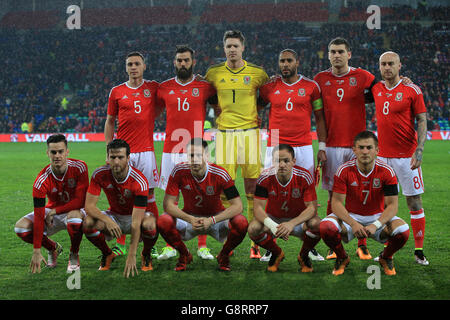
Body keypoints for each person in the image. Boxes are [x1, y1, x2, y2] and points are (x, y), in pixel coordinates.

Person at [258, 48, 327, 262]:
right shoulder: (269, 87)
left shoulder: (311, 87)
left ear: (297, 62)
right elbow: (255, 108)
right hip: (275, 144)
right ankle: (271, 244)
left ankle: (309, 246)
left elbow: (320, 117)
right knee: (271, 192)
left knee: (306, 193)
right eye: (282, 61)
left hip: (304, 144)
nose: (285, 64)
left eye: (289, 60)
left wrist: (322, 146)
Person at [205, 30, 269, 259]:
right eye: (228, 46)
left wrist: (256, 110)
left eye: (235, 46)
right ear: (224, 49)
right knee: (224, 189)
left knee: (253, 190)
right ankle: (227, 240)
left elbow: (267, 95)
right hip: (224, 136)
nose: (232, 50)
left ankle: (256, 241)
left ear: (243, 48)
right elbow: (208, 96)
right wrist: (218, 109)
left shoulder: (258, 73)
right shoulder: (213, 73)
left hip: (250, 135)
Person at [313, 37, 377, 260]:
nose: (336, 55)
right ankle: (334, 243)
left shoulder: (363, 76)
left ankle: (362, 244)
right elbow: (317, 114)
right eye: (332, 52)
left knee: (359, 194)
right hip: (330, 146)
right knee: (333, 196)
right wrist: (321, 145)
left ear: (349, 54)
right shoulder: (320, 79)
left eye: (340, 51)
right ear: (328, 54)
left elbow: (383, 89)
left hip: (356, 146)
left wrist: (403, 81)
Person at [156, 45, 217, 261]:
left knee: (201, 195)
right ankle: (171, 246)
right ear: (174, 62)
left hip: (198, 149)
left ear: (193, 62)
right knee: (171, 197)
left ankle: (202, 245)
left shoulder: (205, 86)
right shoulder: (163, 88)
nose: (183, 63)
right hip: (171, 150)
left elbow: (219, 106)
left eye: (186, 60)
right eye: (179, 60)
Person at [319, 131, 410, 276]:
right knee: (326, 227)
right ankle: (342, 257)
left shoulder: (387, 171)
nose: (365, 151)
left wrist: (376, 225)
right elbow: (336, 203)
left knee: (403, 231)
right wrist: (353, 223)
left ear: (377, 150)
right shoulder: (344, 170)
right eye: (361, 147)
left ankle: (385, 257)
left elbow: (392, 206)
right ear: (354, 150)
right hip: (350, 218)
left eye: (369, 147)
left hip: (377, 218)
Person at [372, 51, 429, 265]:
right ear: (379, 67)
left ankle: (419, 250)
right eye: (383, 64)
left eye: (391, 64)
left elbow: (422, 120)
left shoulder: (411, 89)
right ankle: (389, 250)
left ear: (399, 66)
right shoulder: (375, 89)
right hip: (383, 158)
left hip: (407, 157)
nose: (387, 67)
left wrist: (420, 150)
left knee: (414, 201)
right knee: (386, 205)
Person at [157, 138, 248, 271]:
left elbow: (238, 206)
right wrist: (190, 219)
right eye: (191, 155)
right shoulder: (179, 171)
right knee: (163, 221)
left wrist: (212, 220)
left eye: (199, 155)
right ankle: (184, 254)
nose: (194, 159)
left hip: (215, 221)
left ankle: (223, 255)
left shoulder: (220, 174)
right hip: (190, 220)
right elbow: (168, 205)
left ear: (207, 155)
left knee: (241, 222)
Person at [104, 51, 160, 258]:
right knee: (123, 197)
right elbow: (110, 121)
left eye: (137, 63)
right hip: (123, 153)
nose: (133, 67)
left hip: (146, 152)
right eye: (130, 64)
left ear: (144, 66)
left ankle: (150, 242)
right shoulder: (117, 91)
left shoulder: (153, 88)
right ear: (126, 68)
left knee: (149, 197)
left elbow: (165, 103)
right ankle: (120, 242)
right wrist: (109, 150)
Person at [83, 139, 158, 277]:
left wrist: (132, 254)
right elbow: (89, 206)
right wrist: (107, 220)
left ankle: (145, 254)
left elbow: (136, 222)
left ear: (128, 158)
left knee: (151, 224)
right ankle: (107, 254)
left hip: (134, 218)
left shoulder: (139, 181)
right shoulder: (99, 174)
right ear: (108, 157)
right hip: (114, 216)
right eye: (113, 157)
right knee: (88, 223)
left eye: (120, 157)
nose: (116, 161)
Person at [14, 134, 88, 273]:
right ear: (48, 153)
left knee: (74, 218)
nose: (57, 155)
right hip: (52, 214)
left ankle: (73, 254)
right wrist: (36, 250)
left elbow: (80, 201)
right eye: (53, 152)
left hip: (75, 211)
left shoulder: (80, 167)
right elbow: (38, 215)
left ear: (67, 152)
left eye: (61, 151)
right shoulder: (41, 181)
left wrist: (54, 211)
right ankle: (52, 248)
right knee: (21, 228)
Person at [248, 144, 321, 272]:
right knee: (253, 228)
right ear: (272, 161)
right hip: (274, 220)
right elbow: (258, 208)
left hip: (298, 221)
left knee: (317, 224)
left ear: (294, 161)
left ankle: (303, 255)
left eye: (286, 161)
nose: (281, 165)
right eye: (277, 161)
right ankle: (276, 253)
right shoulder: (264, 177)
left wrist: (291, 224)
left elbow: (312, 208)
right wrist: (272, 225)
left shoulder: (304, 176)